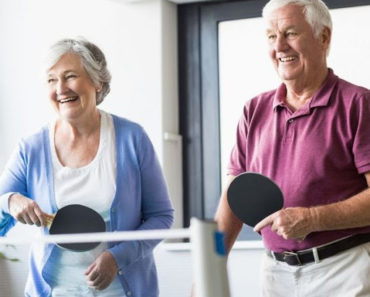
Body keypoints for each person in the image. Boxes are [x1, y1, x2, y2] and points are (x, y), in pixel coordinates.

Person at [215, 0, 370, 296]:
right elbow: (232, 200)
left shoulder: (359, 105)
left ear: (323, 37)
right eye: (272, 37)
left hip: (344, 272)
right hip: (275, 275)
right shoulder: (253, 111)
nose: (280, 47)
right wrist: (208, 270)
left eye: (290, 33)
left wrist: (312, 219)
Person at [0, 37, 174, 297]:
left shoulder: (132, 138)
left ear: (97, 82)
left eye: (70, 76)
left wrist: (117, 258)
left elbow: (161, 217)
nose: (60, 88)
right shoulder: (31, 148)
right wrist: (10, 201)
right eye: (51, 80)